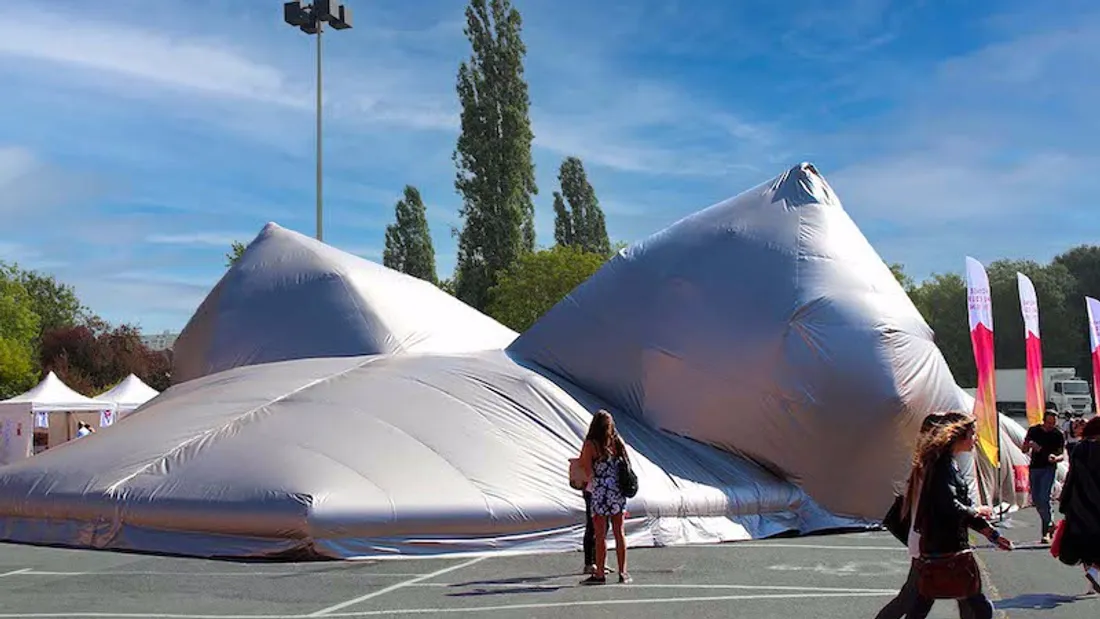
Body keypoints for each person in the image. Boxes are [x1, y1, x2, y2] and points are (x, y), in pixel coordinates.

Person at [901, 416, 1014, 618]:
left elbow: (960, 508)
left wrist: (992, 534)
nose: (975, 440)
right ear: (959, 438)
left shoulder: (948, 464)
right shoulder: (941, 466)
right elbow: (949, 505)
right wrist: (977, 511)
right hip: (945, 548)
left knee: (924, 603)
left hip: (944, 547)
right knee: (977, 606)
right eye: (972, 435)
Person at [875, 412, 976, 619]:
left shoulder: (935, 462)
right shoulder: (934, 465)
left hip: (933, 541)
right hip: (931, 542)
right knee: (915, 598)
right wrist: (975, 512)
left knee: (959, 598)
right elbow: (944, 505)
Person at [577, 409, 632, 585]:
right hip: (616, 491)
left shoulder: (591, 445)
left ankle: (600, 572)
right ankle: (623, 572)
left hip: (600, 491)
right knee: (619, 532)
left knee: (600, 534)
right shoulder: (617, 442)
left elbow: (586, 469)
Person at [1056, 415, 1100, 594]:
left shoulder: (1079, 448)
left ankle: (1092, 574)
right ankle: (1095, 571)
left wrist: (1065, 502)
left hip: (1079, 503)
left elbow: (1071, 477)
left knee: (1084, 543)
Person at [1022, 411, 1066, 543]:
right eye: (1048, 423)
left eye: (1053, 423)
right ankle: (1050, 523)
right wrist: (1028, 445)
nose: (1050, 426)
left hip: (1049, 468)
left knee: (1044, 498)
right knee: (1036, 499)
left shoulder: (1058, 434)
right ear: (1043, 421)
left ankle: (1046, 531)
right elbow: (1023, 449)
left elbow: (1062, 455)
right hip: (1035, 467)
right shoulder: (1034, 430)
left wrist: (1055, 458)